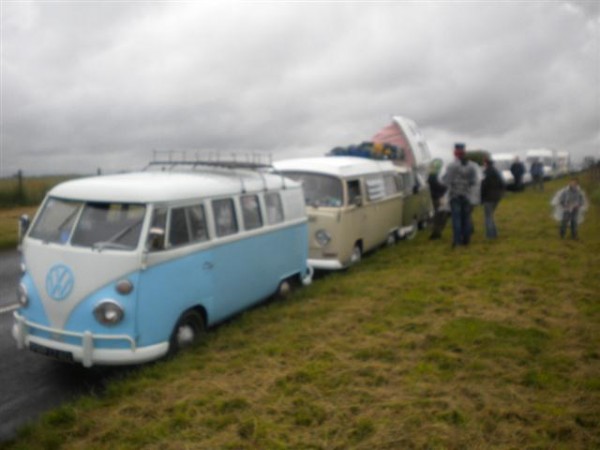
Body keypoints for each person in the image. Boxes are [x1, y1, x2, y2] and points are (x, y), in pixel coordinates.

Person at [442, 143, 478, 248]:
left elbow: (446, 181)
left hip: (455, 195)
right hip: (466, 195)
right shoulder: (472, 166)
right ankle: (466, 240)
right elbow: (473, 181)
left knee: (456, 219)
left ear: (456, 153)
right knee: (466, 218)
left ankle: (457, 241)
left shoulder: (452, 166)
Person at [480, 158, 506, 239]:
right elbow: (502, 183)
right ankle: (494, 233)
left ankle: (490, 235)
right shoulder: (496, 171)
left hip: (488, 197)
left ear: (485, 163)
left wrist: (481, 198)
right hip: (497, 197)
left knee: (488, 217)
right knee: (491, 215)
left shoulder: (486, 173)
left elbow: (483, 186)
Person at [427, 161, 448, 239]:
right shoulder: (433, 176)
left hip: (437, 197)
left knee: (440, 214)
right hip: (437, 197)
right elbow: (437, 186)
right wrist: (445, 187)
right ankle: (436, 232)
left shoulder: (433, 176)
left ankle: (437, 232)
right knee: (440, 215)